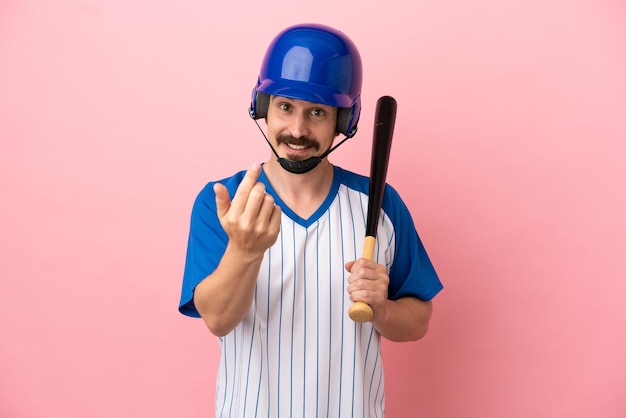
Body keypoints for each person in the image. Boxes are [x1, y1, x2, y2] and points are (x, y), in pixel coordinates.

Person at [178, 23, 443, 417]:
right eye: (286, 107)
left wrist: (383, 309)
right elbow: (217, 319)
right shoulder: (224, 202)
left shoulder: (379, 203)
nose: (298, 130)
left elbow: (418, 320)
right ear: (265, 107)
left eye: (317, 112)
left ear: (342, 121)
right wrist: (245, 251)